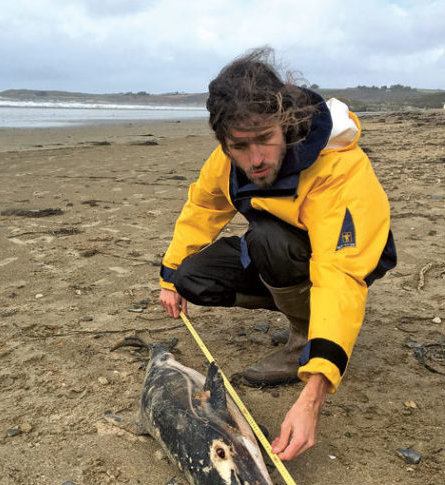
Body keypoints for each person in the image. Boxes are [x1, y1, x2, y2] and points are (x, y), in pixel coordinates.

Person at [158, 47, 396, 461]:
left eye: (265, 139)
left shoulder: (338, 169)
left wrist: (314, 393)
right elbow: (203, 208)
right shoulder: (227, 160)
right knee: (192, 276)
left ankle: (308, 340)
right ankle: (307, 316)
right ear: (224, 140)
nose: (257, 159)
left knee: (270, 240)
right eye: (240, 146)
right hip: (280, 252)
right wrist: (169, 276)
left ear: (284, 122)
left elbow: (338, 273)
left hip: (343, 258)